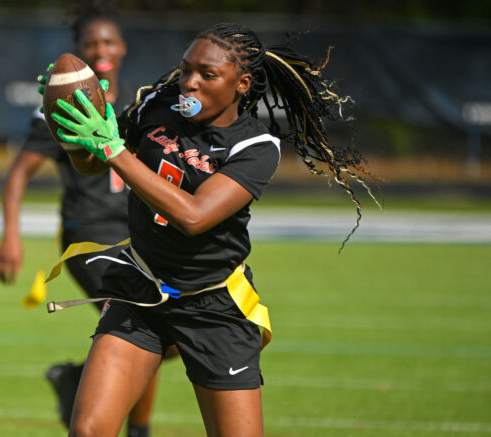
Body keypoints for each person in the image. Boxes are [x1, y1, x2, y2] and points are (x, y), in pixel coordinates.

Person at [48, 22, 378, 437]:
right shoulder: (156, 102)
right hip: (141, 288)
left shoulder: (256, 147)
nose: (189, 83)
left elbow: (194, 217)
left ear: (241, 83)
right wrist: (73, 125)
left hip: (213, 305)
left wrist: (114, 150)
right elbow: (93, 163)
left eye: (207, 74)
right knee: (88, 431)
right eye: (186, 69)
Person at [0, 4, 161, 436]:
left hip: (139, 236)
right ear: (79, 52)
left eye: (107, 41)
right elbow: (18, 173)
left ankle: (79, 381)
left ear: (122, 47)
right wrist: (11, 235)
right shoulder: (61, 104)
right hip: (90, 237)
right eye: (91, 43)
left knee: (162, 325)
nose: (100, 49)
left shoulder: (143, 103)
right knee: (146, 318)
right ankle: (136, 429)